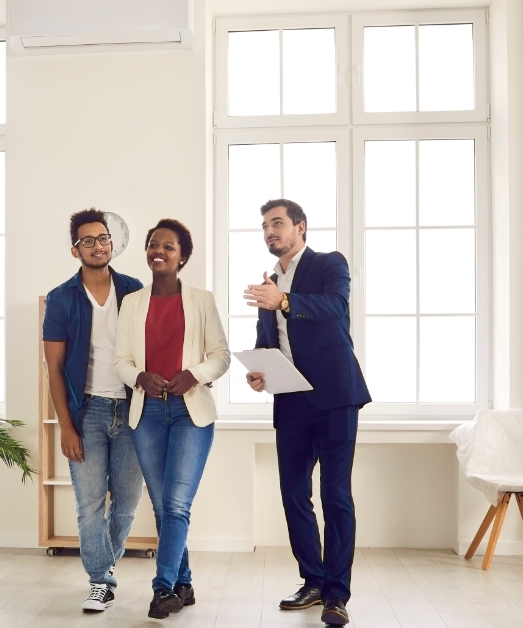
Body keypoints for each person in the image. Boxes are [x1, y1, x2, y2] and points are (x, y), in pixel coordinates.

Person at [243, 199, 371, 627]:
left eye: (277, 223)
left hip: (336, 398)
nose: (270, 231)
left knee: (336, 496)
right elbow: (268, 340)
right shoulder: (269, 284)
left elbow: (335, 307)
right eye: (265, 226)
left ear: (300, 227)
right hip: (291, 401)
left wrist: (283, 300)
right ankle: (313, 581)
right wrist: (259, 370)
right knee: (294, 495)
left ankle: (336, 595)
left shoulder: (329, 263)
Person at [114, 219, 230, 620]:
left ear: (183, 257)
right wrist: (139, 377)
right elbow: (121, 360)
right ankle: (184, 583)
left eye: (168, 246)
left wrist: (194, 374)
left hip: (189, 412)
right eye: (153, 244)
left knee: (177, 503)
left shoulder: (201, 300)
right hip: (147, 412)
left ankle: (162, 588)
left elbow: (221, 356)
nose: (158, 251)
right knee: (164, 507)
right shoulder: (132, 303)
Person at [42, 209, 145, 612]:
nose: (98, 246)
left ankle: (105, 563)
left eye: (103, 239)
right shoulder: (61, 298)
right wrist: (66, 426)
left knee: (127, 502)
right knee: (88, 505)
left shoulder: (134, 290)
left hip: (134, 409)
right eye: (88, 241)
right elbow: (53, 368)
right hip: (88, 413)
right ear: (76, 250)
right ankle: (100, 580)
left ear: (111, 244)